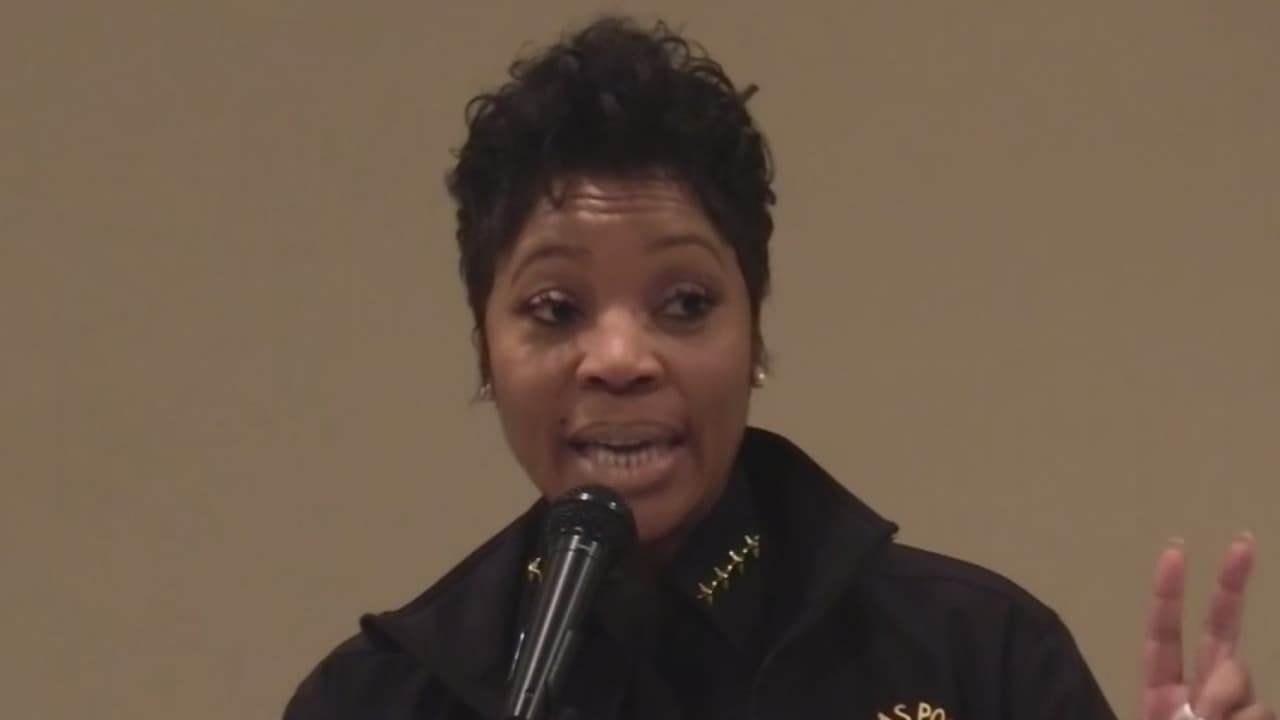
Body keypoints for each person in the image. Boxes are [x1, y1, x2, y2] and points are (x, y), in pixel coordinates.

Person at [283, 15, 1271, 720]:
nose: (620, 359)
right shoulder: (378, 699)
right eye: (555, 309)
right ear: (485, 349)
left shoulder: (974, 657)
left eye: (684, 304)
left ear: (753, 336)